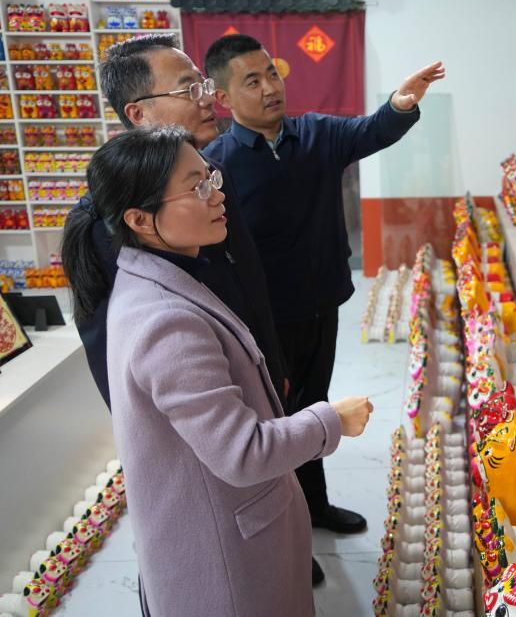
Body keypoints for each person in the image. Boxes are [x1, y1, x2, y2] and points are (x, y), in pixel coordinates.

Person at [60, 126, 374, 617]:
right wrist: (331, 420)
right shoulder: (165, 322)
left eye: (211, 178)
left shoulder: (165, 276)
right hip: (225, 559)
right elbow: (242, 452)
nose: (217, 194)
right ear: (139, 219)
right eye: (197, 187)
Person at [69, 34, 330, 586]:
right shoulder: (110, 218)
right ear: (138, 113)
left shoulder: (210, 174)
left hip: (241, 372)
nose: (208, 97)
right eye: (189, 88)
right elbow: (111, 349)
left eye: (203, 84)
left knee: (270, 498)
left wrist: (269, 359)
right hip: (190, 412)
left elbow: (246, 279)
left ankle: (293, 537)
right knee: (219, 535)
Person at [203, 34, 444, 534]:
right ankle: (286, 530)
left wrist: (401, 104)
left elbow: (371, 130)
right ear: (224, 98)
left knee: (315, 407)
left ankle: (315, 508)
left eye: (272, 74)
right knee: (276, 421)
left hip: (322, 304)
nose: (271, 87)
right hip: (264, 321)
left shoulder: (315, 134)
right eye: (253, 81)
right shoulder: (216, 164)